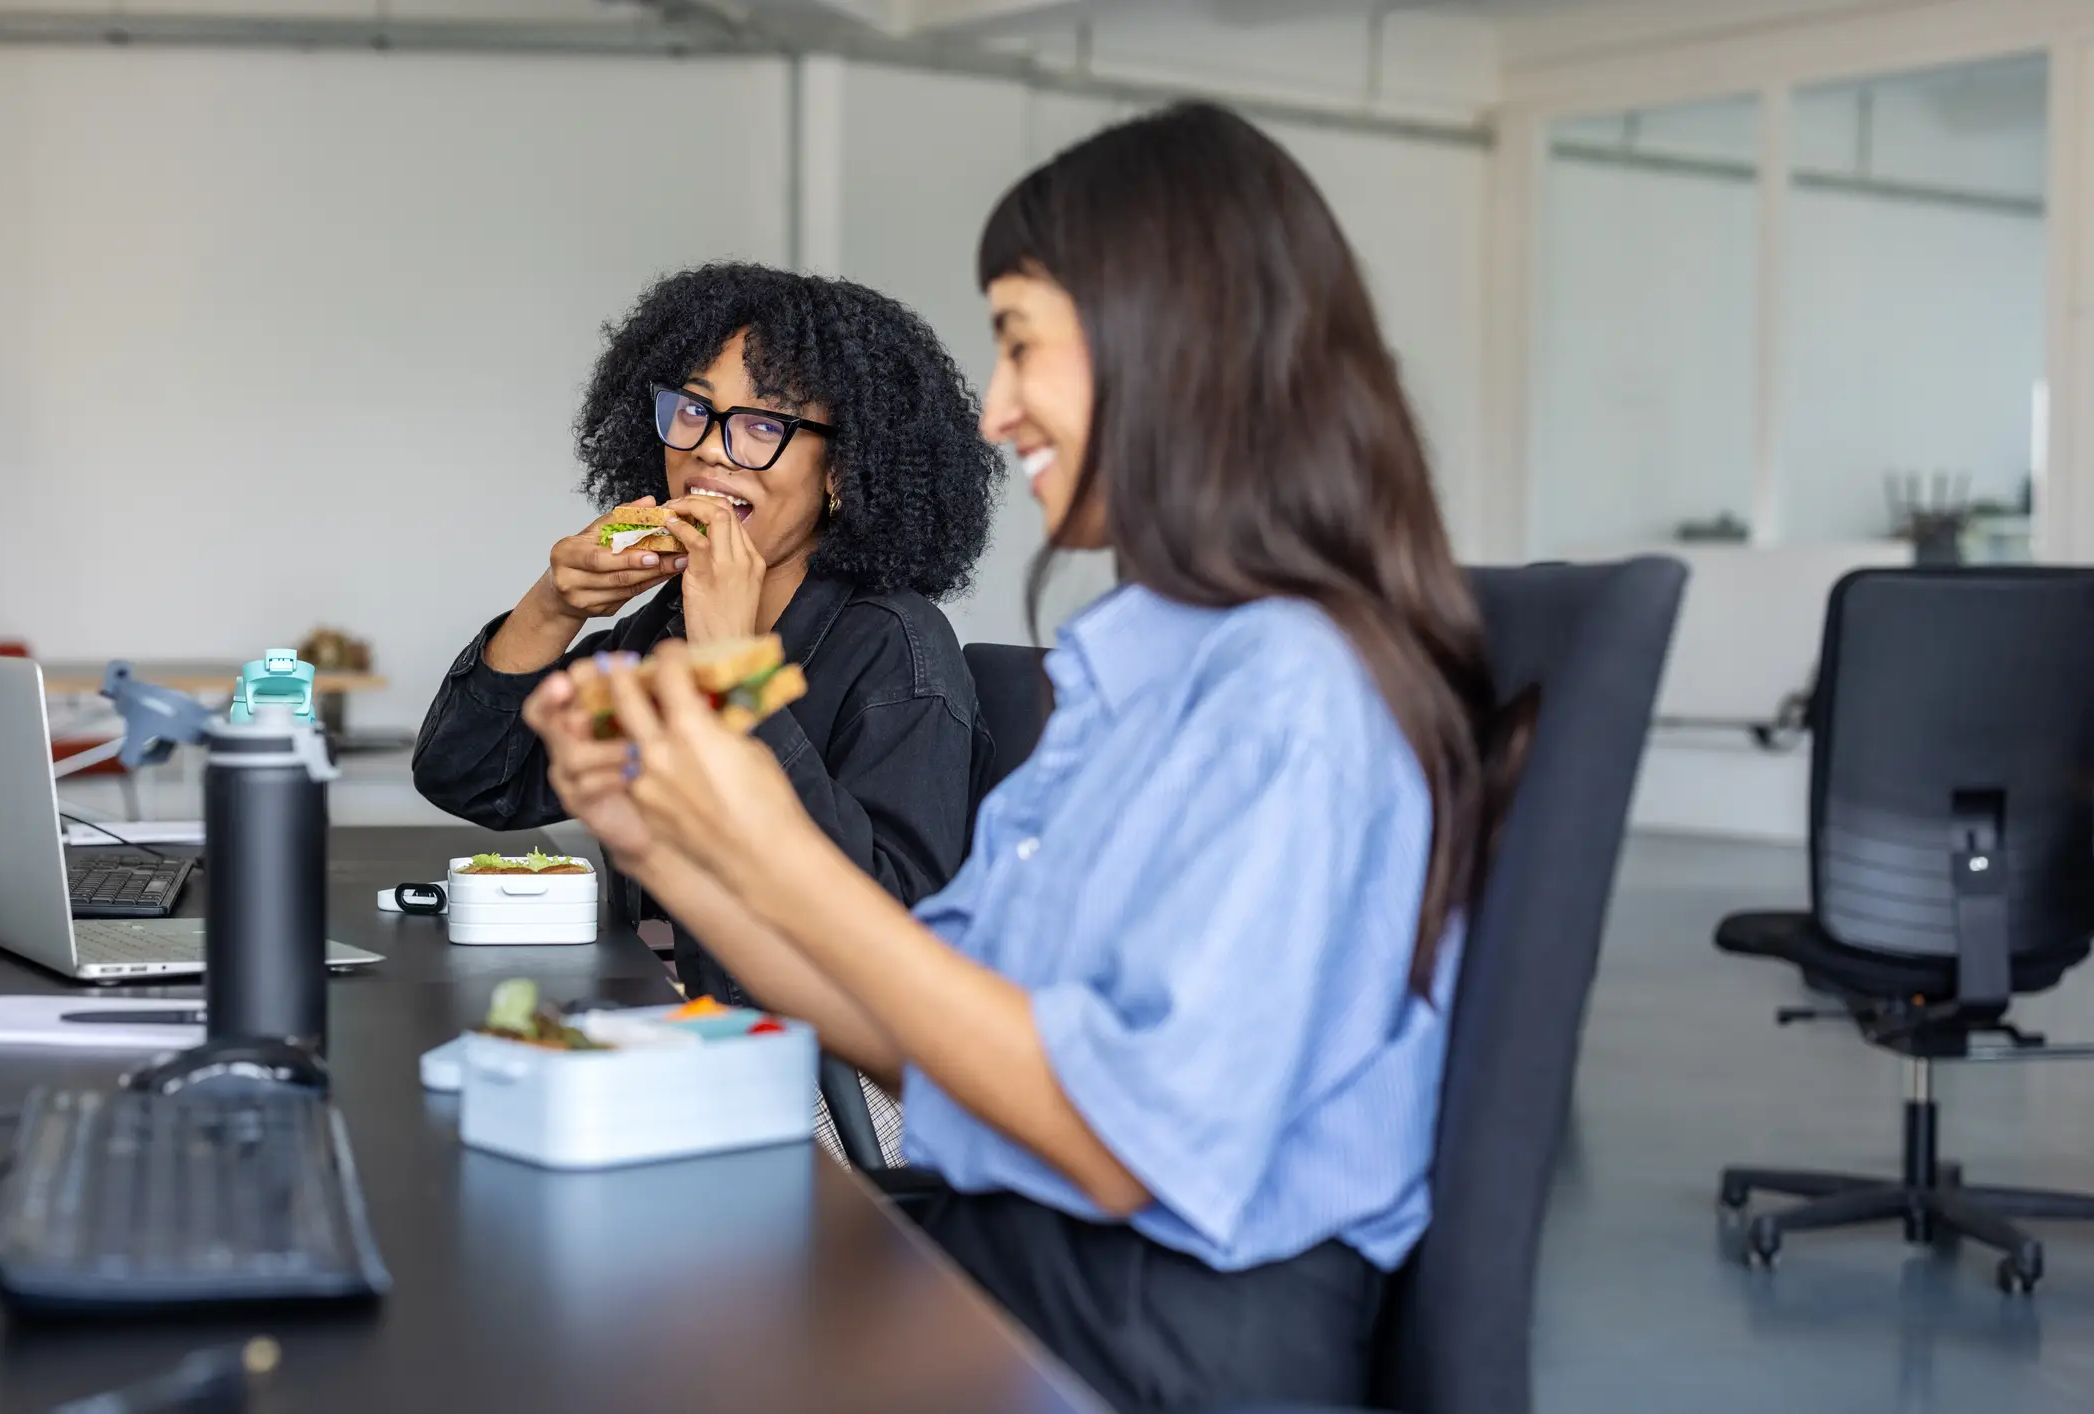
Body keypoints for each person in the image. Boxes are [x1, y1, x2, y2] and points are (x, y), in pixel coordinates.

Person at [521, 106, 1527, 1413]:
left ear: (1170, 341)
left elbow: (1122, 1145)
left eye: (1019, 342)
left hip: (1150, 1342)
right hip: (1029, 1264)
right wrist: (673, 847)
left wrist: (763, 838)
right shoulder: (1135, 672)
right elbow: (925, 1034)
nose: (994, 411)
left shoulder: (1296, 692)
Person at [412, 263, 1002, 1014]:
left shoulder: (899, 649)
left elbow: (890, 924)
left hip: (804, 1058)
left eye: (765, 425)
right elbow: (471, 779)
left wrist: (730, 669)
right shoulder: (666, 626)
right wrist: (553, 607)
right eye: (694, 409)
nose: (712, 450)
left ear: (842, 472)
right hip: (657, 1020)